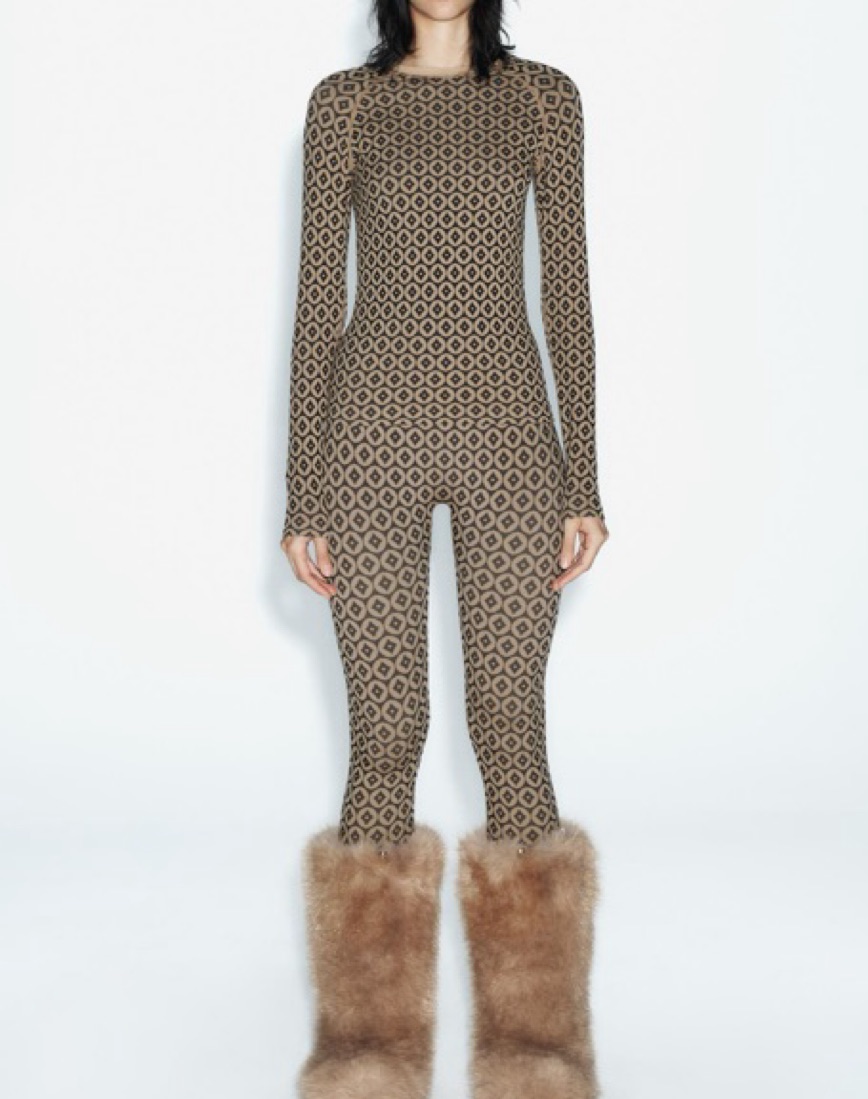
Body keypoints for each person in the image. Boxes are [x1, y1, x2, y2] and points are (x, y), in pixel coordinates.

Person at [280, 2, 609, 1096]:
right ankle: (366, 1053)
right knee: (386, 732)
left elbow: (567, 292)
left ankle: (537, 1054)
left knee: (510, 725)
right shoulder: (347, 105)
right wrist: (303, 490)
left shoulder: (541, 99)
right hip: (366, 440)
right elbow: (317, 303)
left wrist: (583, 478)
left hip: (512, 442)